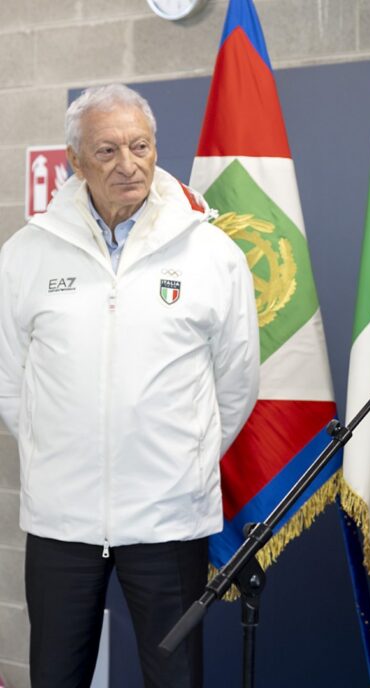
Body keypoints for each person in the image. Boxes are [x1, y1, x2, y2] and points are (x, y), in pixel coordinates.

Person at [0, 84, 260, 688]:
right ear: (76, 161)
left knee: (175, 679)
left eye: (140, 146)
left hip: (169, 518)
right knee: (56, 676)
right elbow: (10, 380)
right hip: (62, 520)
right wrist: (52, 451)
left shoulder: (210, 252)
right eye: (108, 150)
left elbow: (237, 381)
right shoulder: (27, 254)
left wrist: (182, 460)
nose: (128, 164)